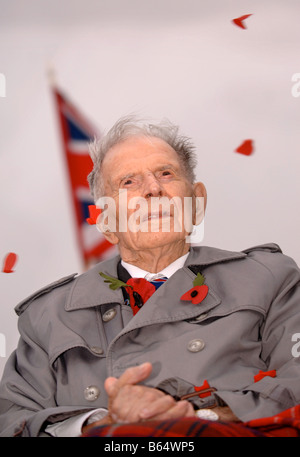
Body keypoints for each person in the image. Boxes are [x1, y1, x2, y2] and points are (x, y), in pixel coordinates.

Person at [0, 116, 300, 437]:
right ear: (105, 222)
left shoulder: (270, 280)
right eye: (128, 182)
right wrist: (101, 424)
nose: (153, 189)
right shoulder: (48, 316)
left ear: (197, 203)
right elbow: (11, 419)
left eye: (166, 174)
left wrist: (199, 417)